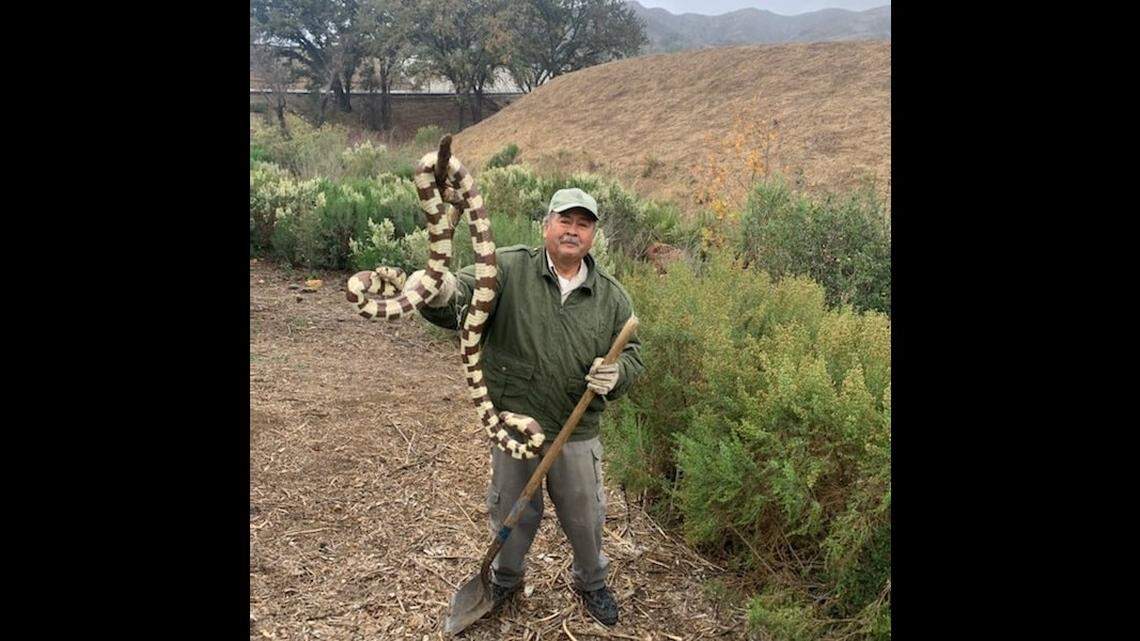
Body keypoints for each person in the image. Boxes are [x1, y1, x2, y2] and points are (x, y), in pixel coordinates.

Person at [409, 187, 644, 626]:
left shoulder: (612, 297)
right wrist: (439, 294)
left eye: (583, 224)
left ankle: (592, 583)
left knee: (586, 516)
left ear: (594, 234)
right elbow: (463, 296)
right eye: (565, 221)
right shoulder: (510, 266)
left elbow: (633, 354)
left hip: (576, 431)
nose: (573, 231)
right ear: (547, 225)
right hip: (516, 423)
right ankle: (505, 579)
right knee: (512, 510)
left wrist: (618, 374)